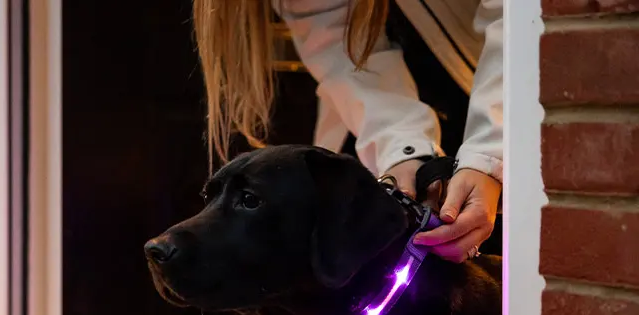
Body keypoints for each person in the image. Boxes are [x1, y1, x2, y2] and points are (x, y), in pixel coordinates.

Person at [192, 0, 503, 263]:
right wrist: (402, 151)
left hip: (504, 91)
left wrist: (489, 155)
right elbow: (333, 32)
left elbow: (517, 19)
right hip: (375, 126)